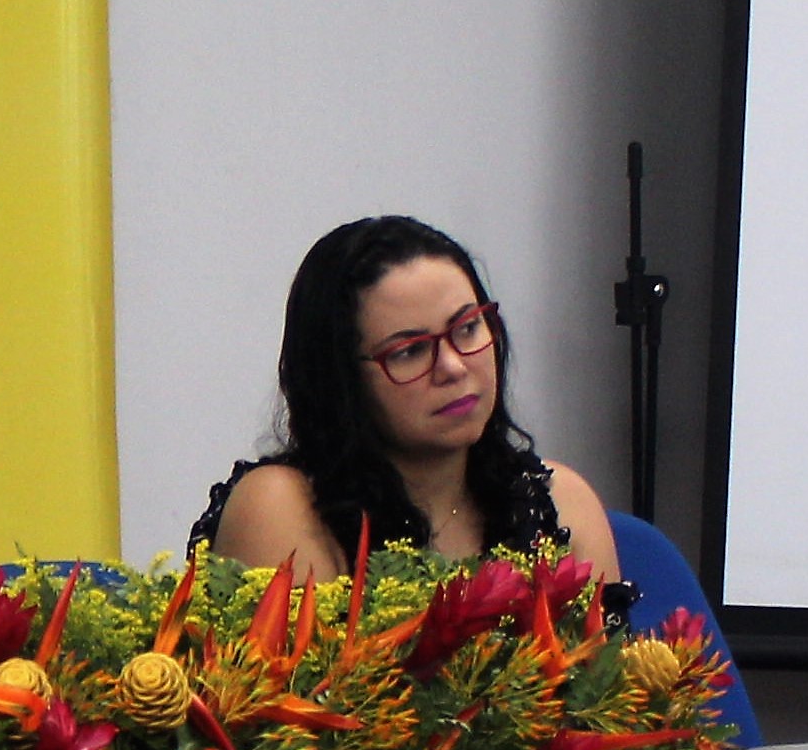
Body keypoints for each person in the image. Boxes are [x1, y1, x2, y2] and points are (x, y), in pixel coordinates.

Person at [190, 214, 626, 588]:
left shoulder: (561, 503)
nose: (453, 366)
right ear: (341, 379)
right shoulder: (282, 505)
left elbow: (607, 663)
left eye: (467, 328)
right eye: (410, 351)